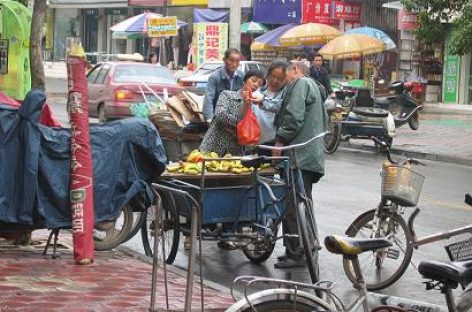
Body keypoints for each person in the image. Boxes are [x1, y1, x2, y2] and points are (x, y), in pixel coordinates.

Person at [273, 62, 328, 270]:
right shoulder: (314, 87)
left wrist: (279, 140)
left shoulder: (302, 83)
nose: (284, 81)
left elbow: (293, 117)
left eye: (285, 76)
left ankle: (297, 253)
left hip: (299, 154)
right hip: (309, 155)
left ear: (295, 71)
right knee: (303, 203)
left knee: (293, 205)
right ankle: (304, 247)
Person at [199, 69, 265, 156]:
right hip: (213, 146)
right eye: (253, 80)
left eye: (259, 84)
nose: (256, 84)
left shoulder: (255, 105)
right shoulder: (227, 95)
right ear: (244, 80)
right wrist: (240, 127)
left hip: (235, 151)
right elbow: (220, 115)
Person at [250, 61, 288, 145]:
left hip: (277, 144)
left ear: (286, 79)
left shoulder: (287, 95)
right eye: (273, 76)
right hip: (256, 143)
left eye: (280, 78)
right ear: (267, 75)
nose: (275, 81)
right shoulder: (257, 92)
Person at [203, 48, 244, 123]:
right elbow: (208, 98)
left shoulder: (241, 76)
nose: (234, 64)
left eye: (237, 61)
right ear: (224, 60)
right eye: (231, 60)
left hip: (234, 116)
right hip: (218, 116)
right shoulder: (215, 77)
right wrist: (210, 119)